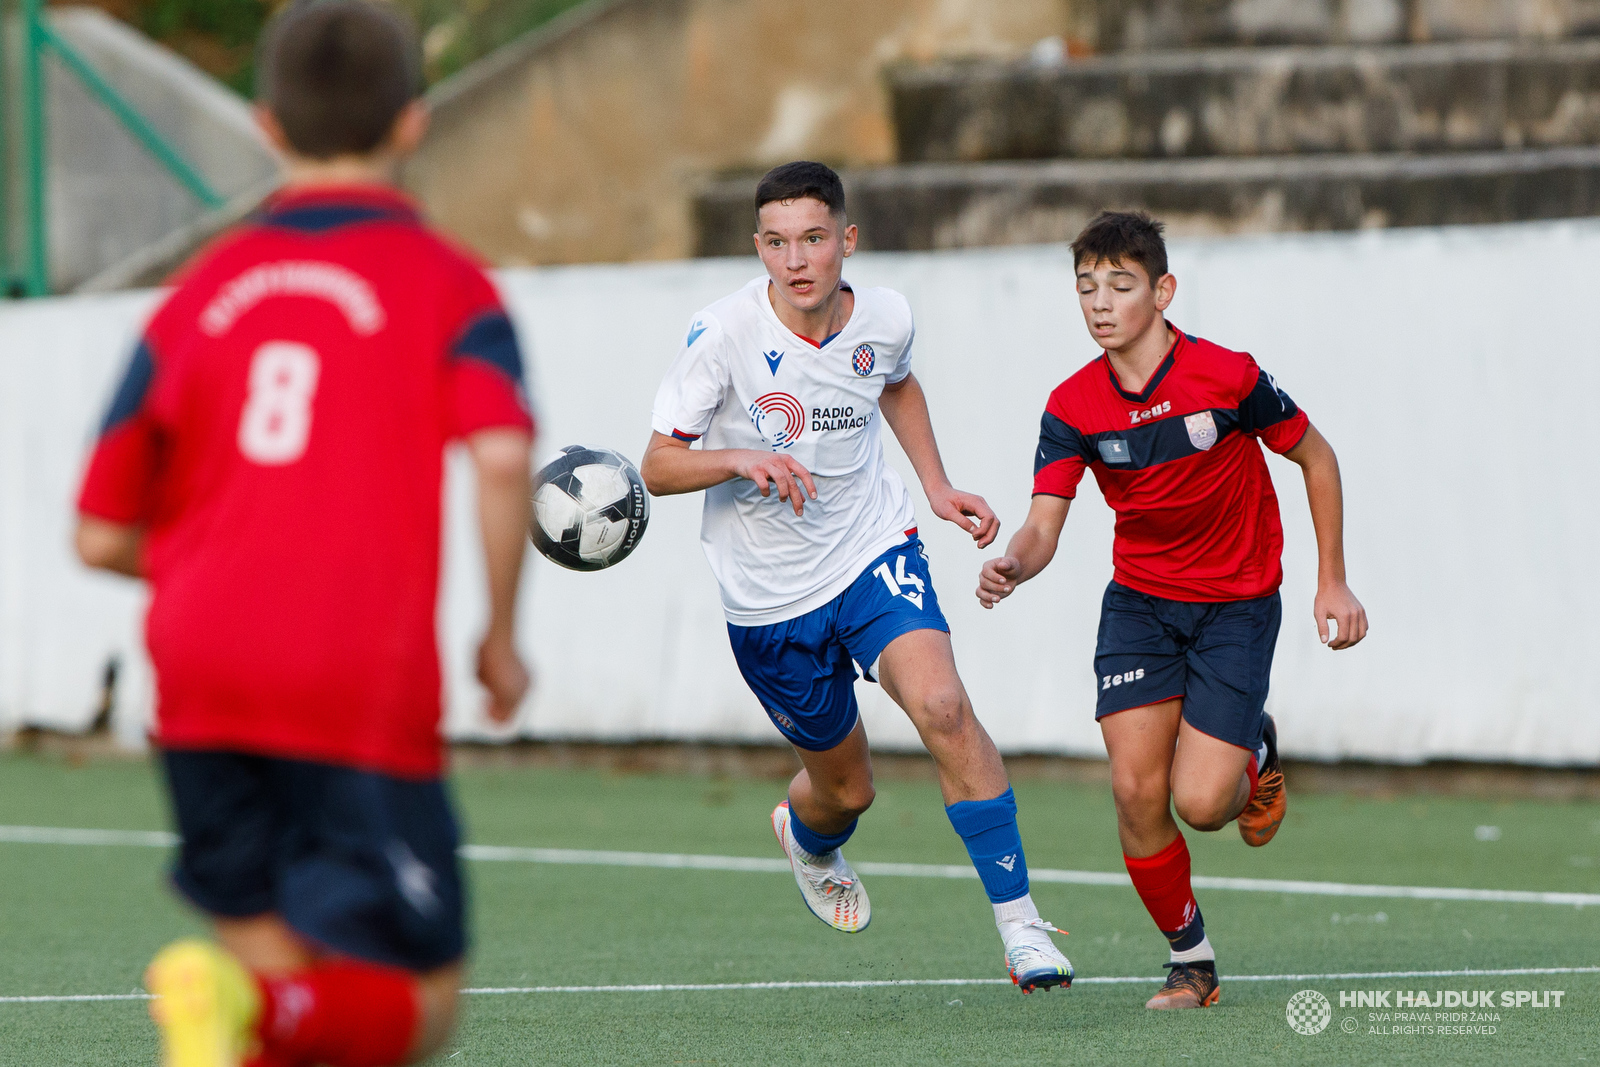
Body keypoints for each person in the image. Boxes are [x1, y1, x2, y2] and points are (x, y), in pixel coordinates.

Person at [73, 2, 536, 1063]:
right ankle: (246, 1008)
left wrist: (203, 571)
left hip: (196, 669)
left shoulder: (194, 297)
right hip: (347, 667)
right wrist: (501, 635)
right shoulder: (447, 283)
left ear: (265, 123)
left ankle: (247, 1010)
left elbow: (100, 534)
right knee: (420, 1001)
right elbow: (504, 457)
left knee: (292, 971)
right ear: (414, 123)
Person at [640, 161, 1072, 992]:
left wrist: (938, 488)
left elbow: (894, 383)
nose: (797, 260)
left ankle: (1022, 928)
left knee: (944, 705)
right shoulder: (721, 334)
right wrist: (739, 458)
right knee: (848, 790)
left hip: (872, 548)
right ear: (757, 247)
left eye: (813, 239)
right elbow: (658, 466)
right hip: (768, 600)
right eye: (777, 243)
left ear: (847, 240)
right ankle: (809, 836)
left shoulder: (885, 316)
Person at [977, 210, 1368, 1010]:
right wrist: (1015, 562)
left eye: (1119, 286)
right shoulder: (1073, 405)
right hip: (1141, 608)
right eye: (1086, 288)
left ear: (1162, 291)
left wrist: (1334, 579)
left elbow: (1315, 455)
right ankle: (1192, 961)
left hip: (1236, 606)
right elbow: (1044, 523)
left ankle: (1253, 754)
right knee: (1133, 792)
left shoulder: (1225, 375)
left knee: (1201, 803)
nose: (1099, 303)